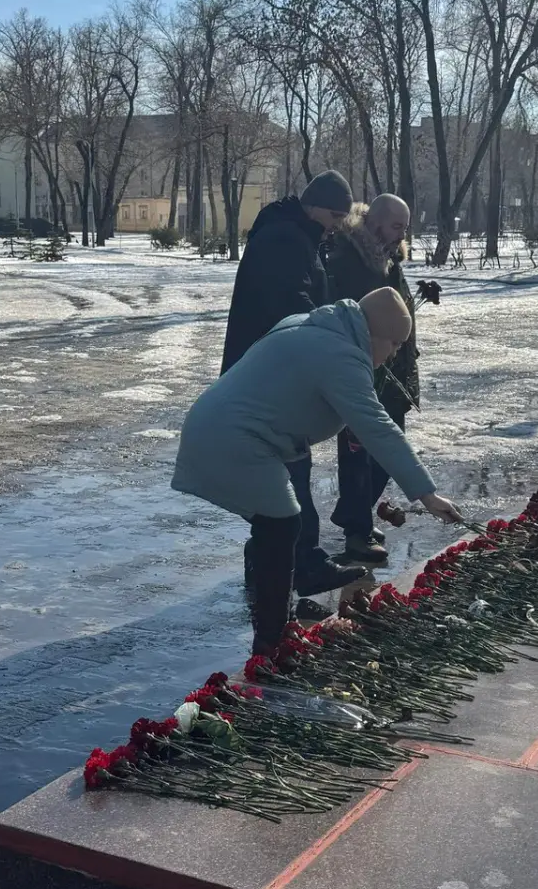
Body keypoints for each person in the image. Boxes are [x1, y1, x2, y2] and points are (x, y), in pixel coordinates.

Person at [174, 288, 463, 654]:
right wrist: (427, 494)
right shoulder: (339, 353)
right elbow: (377, 427)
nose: (393, 354)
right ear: (373, 332)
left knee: (277, 527)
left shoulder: (317, 327)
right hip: (234, 439)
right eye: (393, 343)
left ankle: (281, 615)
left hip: (227, 430)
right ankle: (273, 638)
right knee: (281, 525)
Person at [219, 170, 358, 597]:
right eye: (334, 216)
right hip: (269, 378)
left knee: (288, 474)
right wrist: (332, 328)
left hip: (275, 373)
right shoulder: (284, 239)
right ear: (314, 206)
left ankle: (277, 565)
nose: (336, 226)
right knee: (290, 475)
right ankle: (298, 568)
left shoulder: (297, 235)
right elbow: (291, 305)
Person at [324, 195, 421, 566]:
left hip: (394, 369)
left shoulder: (390, 257)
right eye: (396, 226)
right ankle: (357, 531)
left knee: (389, 449)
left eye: (405, 228)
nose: (401, 235)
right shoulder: (348, 257)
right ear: (375, 221)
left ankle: (355, 514)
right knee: (358, 454)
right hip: (362, 368)